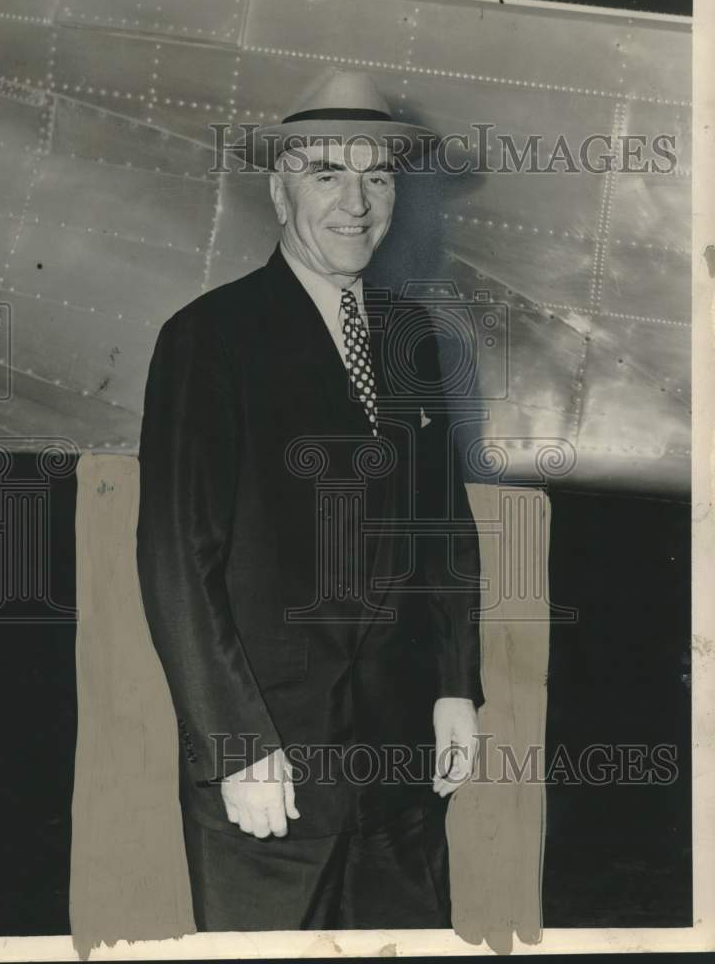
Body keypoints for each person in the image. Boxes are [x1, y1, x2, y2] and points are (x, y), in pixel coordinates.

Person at [136, 69, 483, 931]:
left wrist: (451, 688)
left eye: (378, 176)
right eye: (328, 174)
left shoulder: (413, 340)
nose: (356, 202)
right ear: (279, 187)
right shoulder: (208, 337)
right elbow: (178, 559)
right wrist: (236, 745)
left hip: (402, 759)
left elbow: (442, 529)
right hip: (271, 768)